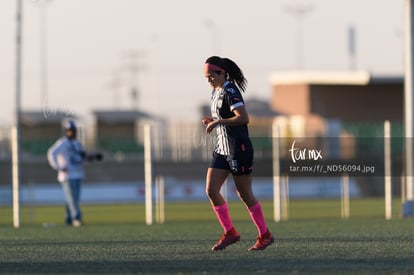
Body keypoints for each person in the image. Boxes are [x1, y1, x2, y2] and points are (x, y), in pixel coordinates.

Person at [202, 56, 274, 251]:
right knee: (211, 190)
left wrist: (218, 122)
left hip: (237, 148)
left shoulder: (230, 90)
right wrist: (213, 120)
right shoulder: (215, 92)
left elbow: (243, 118)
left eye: (211, 76)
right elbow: (223, 117)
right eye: (206, 77)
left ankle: (265, 235)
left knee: (245, 195)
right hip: (222, 149)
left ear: (222, 73)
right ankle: (230, 232)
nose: (209, 80)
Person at [47, 119, 102, 227]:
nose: (73, 132)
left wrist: (92, 157)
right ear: (67, 131)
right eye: (71, 130)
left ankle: (69, 220)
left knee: (73, 199)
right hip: (67, 176)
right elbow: (51, 153)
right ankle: (77, 218)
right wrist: (58, 167)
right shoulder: (62, 143)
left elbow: (81, 157)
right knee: (72, 198)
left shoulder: (77, 144)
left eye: (74, 130)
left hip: (77, 174)